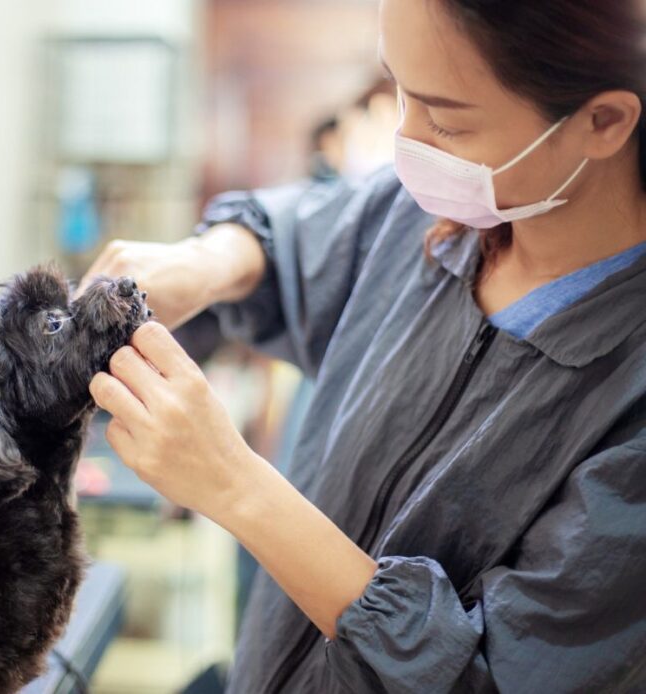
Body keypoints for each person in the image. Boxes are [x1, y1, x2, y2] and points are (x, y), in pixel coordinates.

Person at [77, 0, 646, 691]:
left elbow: (491, 678)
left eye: (447, 119)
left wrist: (237, 486)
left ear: (603, 121)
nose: (406, 144)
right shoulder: (434, 214)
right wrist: (207, 263)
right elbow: (297, 234)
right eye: (399, 90)